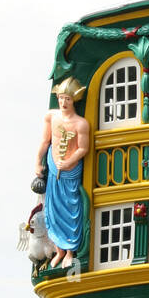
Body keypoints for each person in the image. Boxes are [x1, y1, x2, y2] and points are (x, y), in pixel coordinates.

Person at [35, 77, 90, 269]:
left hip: (70, 171)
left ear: (73, 99)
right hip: (53, 168)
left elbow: (82, 149)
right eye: (60, 98)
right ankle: (58, 250)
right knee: (52, 210)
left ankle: (69, 251)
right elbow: (45, 141)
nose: (63, 102)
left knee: (70, 209)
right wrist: (37, 162)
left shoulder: (80, 123)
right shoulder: (51, 116)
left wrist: (68, 162)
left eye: (67, 98)